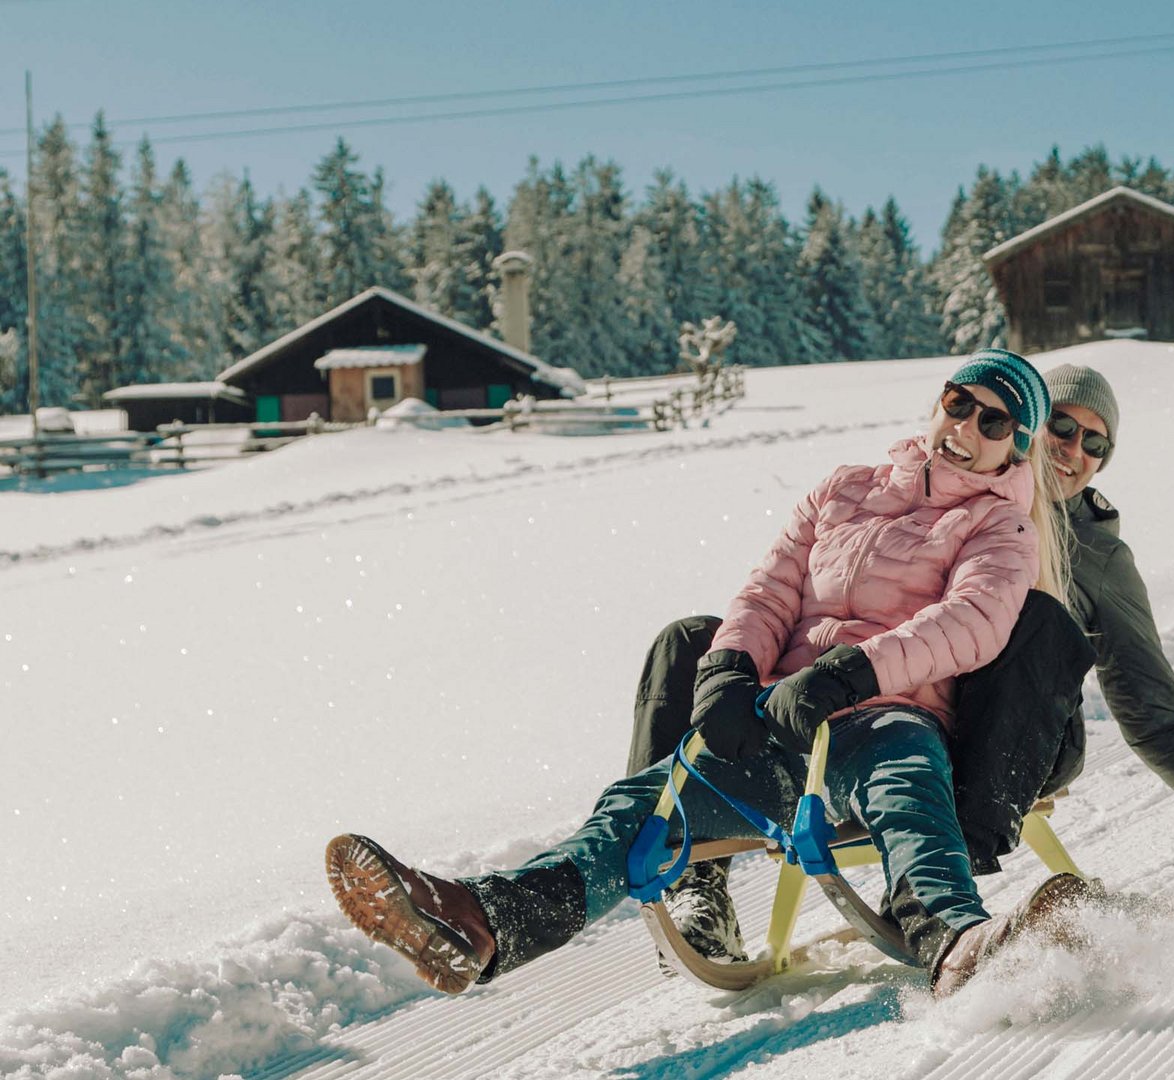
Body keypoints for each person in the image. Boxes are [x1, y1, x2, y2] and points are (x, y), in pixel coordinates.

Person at [326, 349, 1093, 998]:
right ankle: (490, 921)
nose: (966, 428)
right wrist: (730, 669)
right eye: (959, 404)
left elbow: (974, 621)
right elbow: (769, 591)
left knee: (907, 790)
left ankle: (956, 940)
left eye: (993, 422)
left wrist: (848, 674)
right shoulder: (843, 490)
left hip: (883, 716)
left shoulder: (999, 526)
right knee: (642, 803)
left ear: (1013, 449)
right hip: (778, 717)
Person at [631, 362, 1174, 970]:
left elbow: (1159, 722)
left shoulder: (1099, 559)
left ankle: (943, 874)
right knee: (689, 641)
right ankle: (689, 870)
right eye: (1061, 426)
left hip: (1006, 743)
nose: (1075, 451)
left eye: (1097, 444)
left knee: (1040, 623)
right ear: (1022, 431)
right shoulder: (945, 500)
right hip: (890, 705)